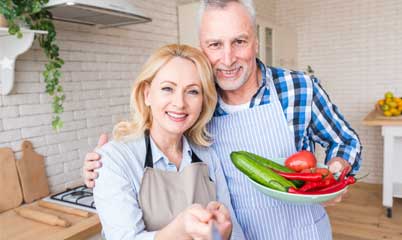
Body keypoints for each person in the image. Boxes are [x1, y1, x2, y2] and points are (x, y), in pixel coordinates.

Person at [84, 1, 362, 239]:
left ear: (255, 41)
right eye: (215, 44)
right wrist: (104, 163)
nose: (227, 58)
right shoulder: (200, 98)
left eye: (239, 41)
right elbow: (156, 129)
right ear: (202, 47)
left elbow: (345, 141)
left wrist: (336, 175)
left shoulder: (299, 88)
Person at [92, 44, 244, 240]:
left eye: (192, 91)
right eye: (167, 88)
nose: (179, 103)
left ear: (203, 101)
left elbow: (233, 231)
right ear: (147, 94)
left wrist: (222, 234)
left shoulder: (208, 156)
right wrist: (179, 232)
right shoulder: (115, 159)